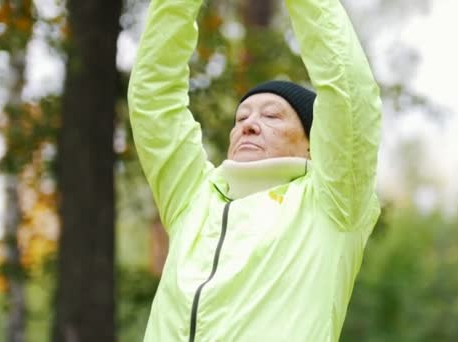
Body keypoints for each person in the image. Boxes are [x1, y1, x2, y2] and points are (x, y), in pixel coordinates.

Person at [128, 0, 381, 340]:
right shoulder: (193, 199)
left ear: (313, 142)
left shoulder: (332, 204)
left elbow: (350, 96)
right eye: (241, 117)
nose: (249, 125)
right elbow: (153, 102)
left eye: (272, 116)